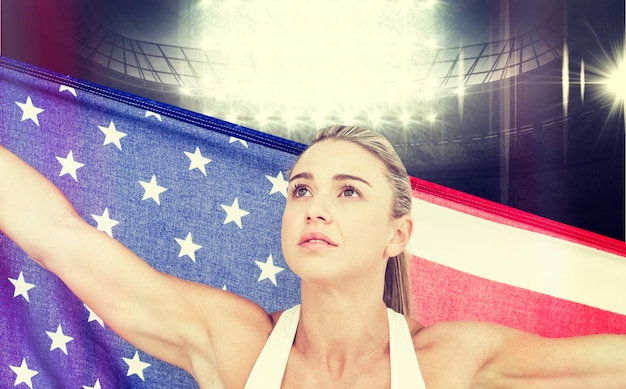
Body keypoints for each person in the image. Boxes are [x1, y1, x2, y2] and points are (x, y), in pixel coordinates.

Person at [0, 125, 625, 388]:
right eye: (301, 189)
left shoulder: (454, 361)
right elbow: (61, 236)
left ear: (397, 235)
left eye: (348, 192)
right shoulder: (234, 342)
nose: (314, 208)